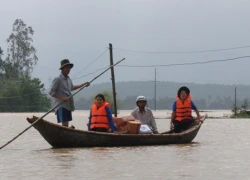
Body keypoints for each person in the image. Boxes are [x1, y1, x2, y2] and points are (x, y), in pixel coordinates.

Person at [49, 59, 90, 128]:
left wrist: (83, 84)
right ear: (62, 68)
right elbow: (51, 92)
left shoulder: (68, 79)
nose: (68, 69)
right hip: (61, 105)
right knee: (64, 123)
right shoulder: (57, 79)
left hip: (68, 105)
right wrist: (62, 98)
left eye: (69, 67)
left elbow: (72, 87)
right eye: (67, 67)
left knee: (66, 124)